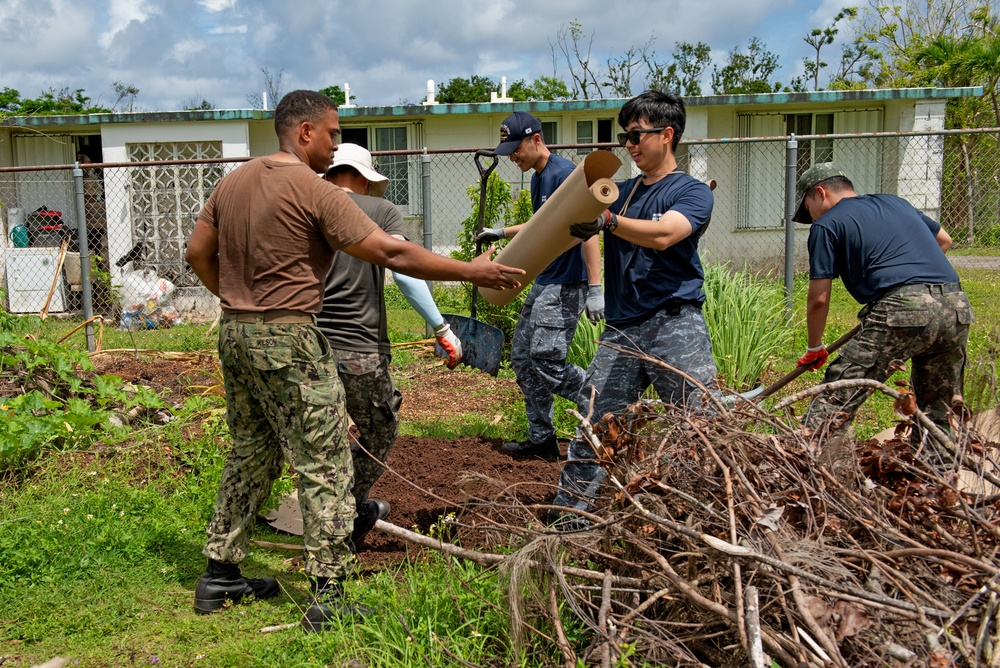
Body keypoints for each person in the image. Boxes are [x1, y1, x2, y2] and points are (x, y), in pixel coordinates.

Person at [183, 90, 523, 631]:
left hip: (235, 334)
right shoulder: (311, 189)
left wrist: (238, 301)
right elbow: (389, 252)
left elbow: (198, 252)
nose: (336, 144)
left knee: (252, 451)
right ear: (304, 133)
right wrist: (470, 271)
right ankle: (329, 593)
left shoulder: (234, 181)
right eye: (333, 133)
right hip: (290, 336)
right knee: (326, 460)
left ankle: (220, 571)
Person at [554, 90, 719, 525]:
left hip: (674, 324)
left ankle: (715, 516)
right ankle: (569, 520)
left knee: (700, 427)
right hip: (622, 331)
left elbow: (665, 234)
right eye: (624, 136)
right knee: (593, 427)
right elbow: (565, 218)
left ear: (666, 135)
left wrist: (608, 220)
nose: (628, 145)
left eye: (635, 135)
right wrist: (508, 235)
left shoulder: (692, 192)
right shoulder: (621, 193)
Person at [319, 143, 463, 550]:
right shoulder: (378, 211)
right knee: (379, 430)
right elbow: (404, 272)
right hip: (358, 347)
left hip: (307, 345)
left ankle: (325, 511)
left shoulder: (307, 206)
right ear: (365, 178)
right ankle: (344, 514)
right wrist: (441, 328)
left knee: (321, 436)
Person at [791, 162, 973, 466]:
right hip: (956, 306)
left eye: (808, 209)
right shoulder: (895, 203)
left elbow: (819, 300)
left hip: (902, 311)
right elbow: (944, 241)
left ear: (820, 193)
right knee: (938, 410)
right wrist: (917, 279)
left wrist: (814, 348)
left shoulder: (827, 225)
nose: (811, 219)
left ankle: (806, 476)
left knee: (837, 399)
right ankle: (938, 490)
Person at [476, 112, 604, 459]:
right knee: (521, 358)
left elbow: (587, 228)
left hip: (566, 284)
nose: (512, 156)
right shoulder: (538, 177)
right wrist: (501, 233)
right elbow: (540, 223)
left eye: (515, 148)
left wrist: (595, 287)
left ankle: (600, 398)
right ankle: (543, 440)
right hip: (545, 279)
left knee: (546, 360)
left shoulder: (564, 175)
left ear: (535, 139)